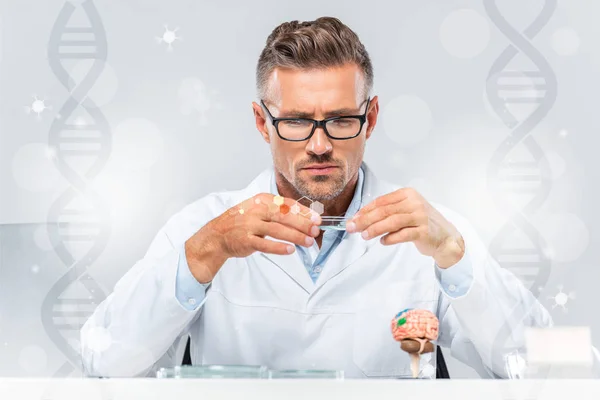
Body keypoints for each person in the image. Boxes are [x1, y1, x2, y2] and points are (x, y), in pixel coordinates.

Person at [81, 16, 552, 378]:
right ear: (262, 122)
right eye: (297, 121)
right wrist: (205, 253)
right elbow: (104, 363)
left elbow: (546, 368)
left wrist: (457, 260)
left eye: (341, 119)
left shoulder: (429, 233)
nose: (320, 144)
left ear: (370, 119)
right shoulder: (203, 228)